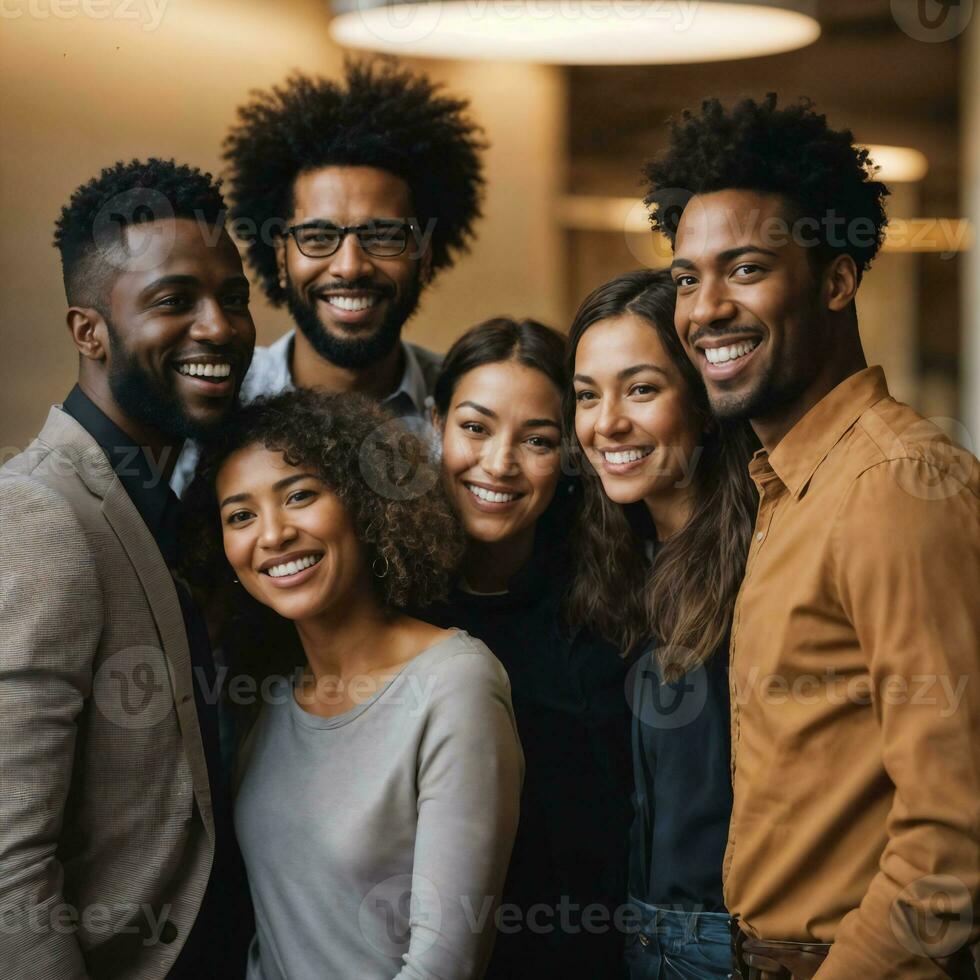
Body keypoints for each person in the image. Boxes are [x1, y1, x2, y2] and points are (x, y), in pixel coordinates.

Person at [644, 94, 980, 978]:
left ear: (835, 281)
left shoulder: (895, 488)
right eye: (686, 278)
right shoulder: (784, 486)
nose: (704, 309)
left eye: (745, 270)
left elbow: (954, 837)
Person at [0, 159, 256, 978]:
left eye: (234, 297)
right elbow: (9, 868)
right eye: (174, 301)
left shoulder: (182, 491)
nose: (218, 327)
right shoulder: (40, 515)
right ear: (89, 331)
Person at [180, 388, 523, 980]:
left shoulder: (455, 685)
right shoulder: (263, 696)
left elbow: (445, 966)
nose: (273, 534)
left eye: (300, 496)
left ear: (365, 503)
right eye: (241, 515)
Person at [421, 317, 634, 979]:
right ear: (437, 426)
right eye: (475, 427)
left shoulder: (611, 603)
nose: (499, 463)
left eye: (537, 439)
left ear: (569, 452)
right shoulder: (386, 598)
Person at [171, 60, 485, 493]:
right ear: (280, 259)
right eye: (318, 236)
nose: (350, 266)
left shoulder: (468, 405)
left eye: (383, 235)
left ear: (424, 257)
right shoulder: (218, 396)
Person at [567, 268, 757, 979]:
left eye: (641, 389)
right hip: (638, 937)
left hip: (734, 947)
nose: (606, 422)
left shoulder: (764, 558)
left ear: (705, 403)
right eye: (587, 396)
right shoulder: (619, 562)